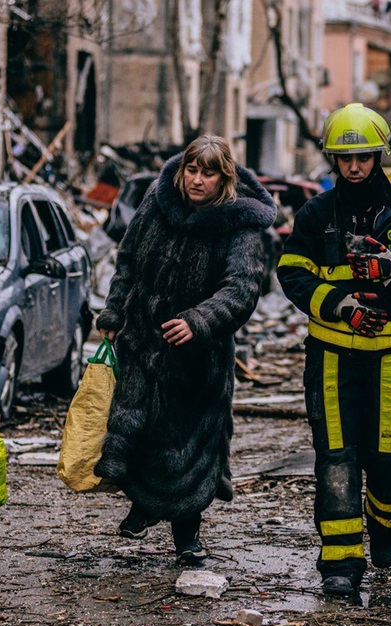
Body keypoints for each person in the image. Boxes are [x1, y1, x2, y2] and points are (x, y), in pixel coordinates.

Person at [277, 102, 391, 596]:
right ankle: (340, 565)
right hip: (332, 361)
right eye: (345, 160)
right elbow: (291, 273)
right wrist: (341, 306)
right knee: (336, 459)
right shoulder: (315, 214)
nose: (354, 168)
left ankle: (385, 531)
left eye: (364, 158)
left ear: (379, 155)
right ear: (333, 160)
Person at [94, 135, 276, 564]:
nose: (197, 180)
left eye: (208, 173)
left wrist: (199, 321)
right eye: (191, 170)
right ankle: (144, 504)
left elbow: (243, 288)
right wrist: (112, 316)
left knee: (188, 446)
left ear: (225, 177)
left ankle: (187, 535)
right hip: (142, 342)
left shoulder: (240, 224)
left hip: (198, 360)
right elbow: (128, 262)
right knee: (136, 429)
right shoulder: (158, 203)